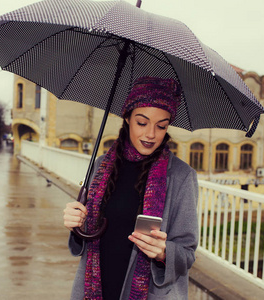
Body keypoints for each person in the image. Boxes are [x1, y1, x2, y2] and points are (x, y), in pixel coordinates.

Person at [63, 77, 198, 300]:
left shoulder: (181, 177)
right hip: (97, 288)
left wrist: (164, 253)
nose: (151, 134)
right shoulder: (101, 165)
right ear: (127, 118)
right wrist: (75, 223)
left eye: (161, 125)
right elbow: (85, 237)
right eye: (142, 123)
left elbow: (187, 254)